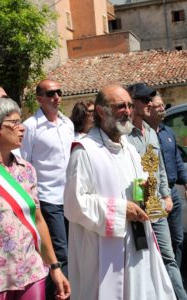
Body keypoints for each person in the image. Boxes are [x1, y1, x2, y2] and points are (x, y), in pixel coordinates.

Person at [64, 83, 176, 300]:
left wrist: (145, 194)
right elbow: (74, 204)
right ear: (100, 111)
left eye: (129, 105)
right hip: (104, 248)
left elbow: (138, 185)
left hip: (138, 241)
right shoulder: (84, 151)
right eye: (119, 106)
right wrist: (121, 209)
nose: (127, 111)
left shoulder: (130, 149)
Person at [0, 98, 71, 300]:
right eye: (14, 123)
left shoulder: (27, 170)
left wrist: (55, 267)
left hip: (31, 272)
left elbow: (38, 220)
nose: (22, 128)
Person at [127, 83, 187, 300]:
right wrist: (139, 203)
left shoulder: (151, 132)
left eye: (149, 100)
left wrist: (166, 194)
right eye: (144, 100)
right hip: (136, 208)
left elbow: (160, 166)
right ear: (132, 102)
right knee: (142, 261)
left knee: (168, 257)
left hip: (157, 206)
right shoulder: (123, 136)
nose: (149, 104)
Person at [20, 79, 74, 299]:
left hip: (71, 197)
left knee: (74, 247)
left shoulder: (67, 123)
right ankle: (62, 294)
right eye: (51, 93)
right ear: (39, 98)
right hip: (48, 198)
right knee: (60, 253)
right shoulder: (30, 127)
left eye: (59, 92)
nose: (56, 97)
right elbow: (23, 162)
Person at [144, 92, 187, 268]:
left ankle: (175, 274)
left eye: (163, 105)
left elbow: (177, 159)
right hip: (154, 195)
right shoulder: (143, 135)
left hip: (171, 193)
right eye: (159, 106)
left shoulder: (167, 131)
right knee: (161, 241)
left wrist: (185, 183)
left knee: (178, 238)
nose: (163, 109)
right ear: (148, 109)